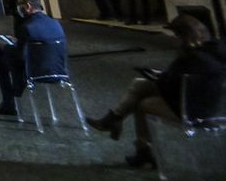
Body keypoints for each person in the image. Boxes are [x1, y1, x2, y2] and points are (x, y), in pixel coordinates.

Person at [86, 14, 226, 169]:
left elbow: (173, 85)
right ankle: (114, 120)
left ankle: (141, 149)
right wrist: (162, 77)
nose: (173, 39)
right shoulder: (212, 49)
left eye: (175, 36)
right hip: (205, 102)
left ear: (183, 36)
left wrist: (159, 77)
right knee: (140, 84)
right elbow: (180, 81)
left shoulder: (193, 58)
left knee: (144, 104)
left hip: (193, 110)